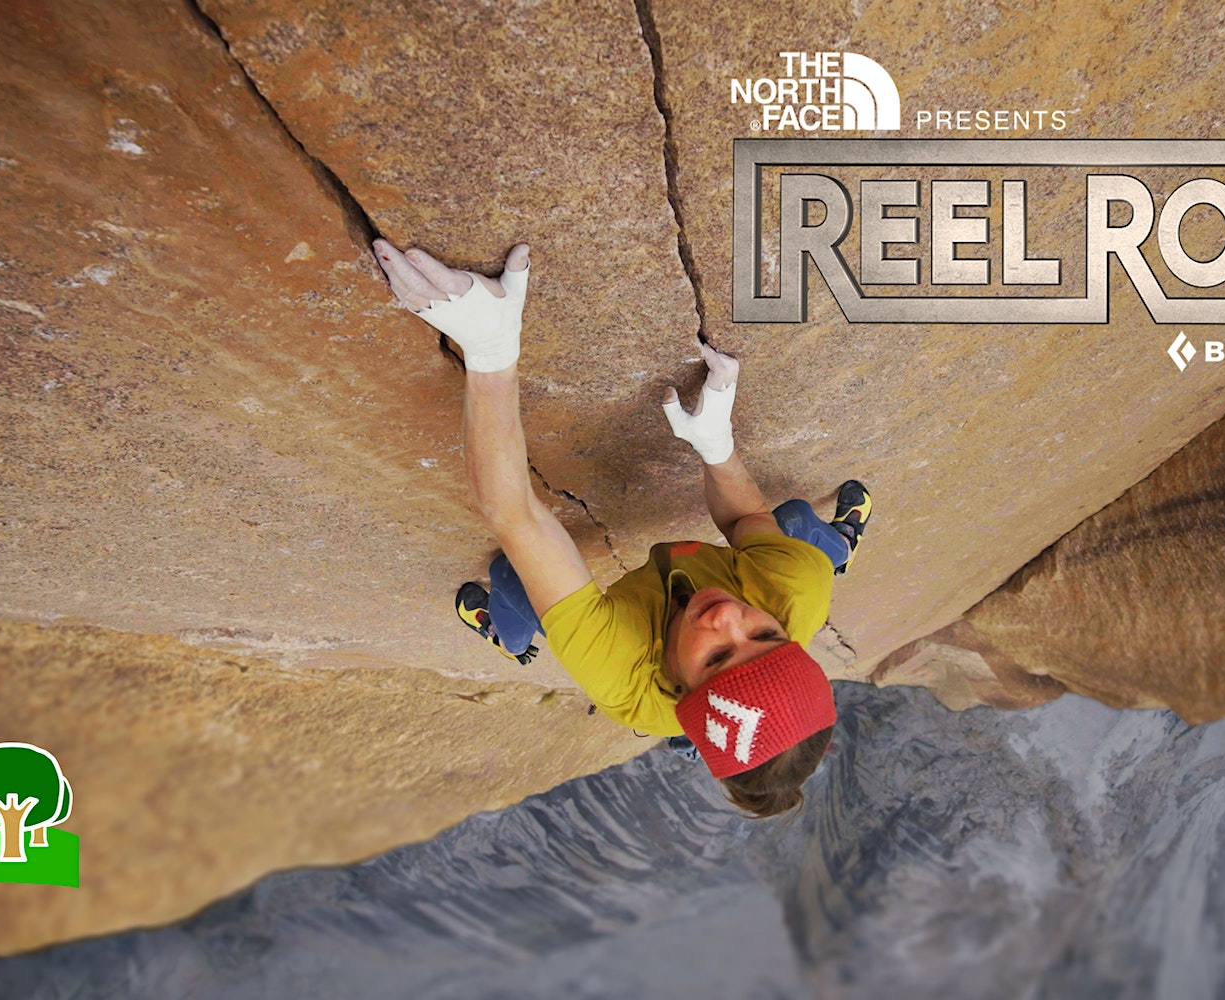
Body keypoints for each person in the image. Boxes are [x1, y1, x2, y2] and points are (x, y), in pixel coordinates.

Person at [371, 235, 872, 818]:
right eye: (765, 637)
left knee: (512, 578)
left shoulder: (623, 677)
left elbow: (518, 517)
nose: (728, 619)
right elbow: (746, 520)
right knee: (795, 530)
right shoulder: (797, 594)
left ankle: (508, 641)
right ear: (790, 636)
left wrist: (490, 351)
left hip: (646, 662)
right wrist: (717, 447)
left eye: (716, 658)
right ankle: (839, 546)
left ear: (679, 688)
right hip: (783, 583)